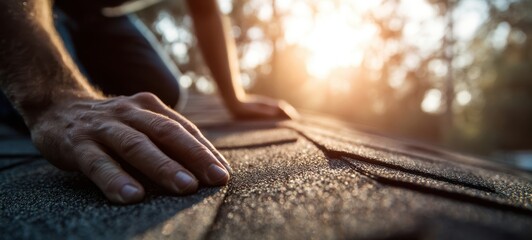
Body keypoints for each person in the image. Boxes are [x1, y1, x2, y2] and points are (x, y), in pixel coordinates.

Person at [0, 0, 295, 204]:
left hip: (103, 14)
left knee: (162, 93)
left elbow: (205, 11)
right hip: (39, 8)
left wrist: (234, 99)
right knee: (21, 91)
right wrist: (53, 98)